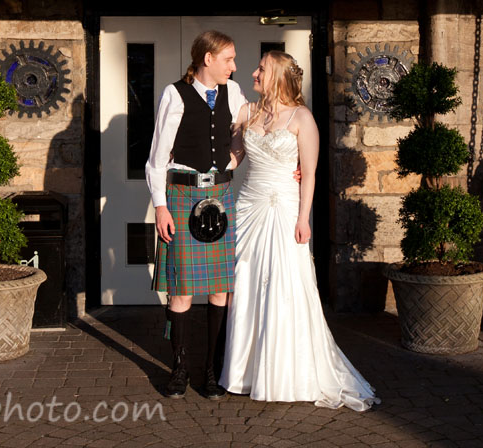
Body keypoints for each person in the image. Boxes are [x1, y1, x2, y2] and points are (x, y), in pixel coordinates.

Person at [219, 50, 380, 411]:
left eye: (261, 68)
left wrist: (304, 218)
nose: (254, 72)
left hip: (286, 209)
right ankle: (244, 371)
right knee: (245, 284)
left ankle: (287, 372)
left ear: (276, 76)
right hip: (248, 208)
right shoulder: (247, 112)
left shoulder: (302, 118)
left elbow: (308, 174)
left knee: (284, 284)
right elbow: (233, 157)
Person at [146, 30, 246, 400]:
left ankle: (212, 370)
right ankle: (180, 368)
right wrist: (160, 205)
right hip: (182, 195)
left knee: (221, 288)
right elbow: (157, 158)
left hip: (221, 194)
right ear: (208, 59)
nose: (234, 67)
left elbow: (253, 131)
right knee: (182, 291)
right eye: (228, 60)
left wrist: (239, 157)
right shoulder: (174, 94)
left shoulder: (232, 93)